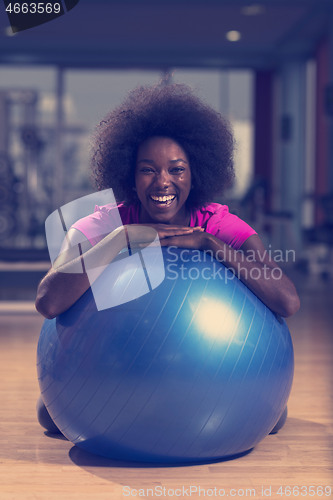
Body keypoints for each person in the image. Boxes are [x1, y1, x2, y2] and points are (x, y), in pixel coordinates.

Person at [35, 82, 300, 434]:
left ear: (195, 173)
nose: (162, 182)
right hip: (111, 371)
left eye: (176, 169)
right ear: (130, 173)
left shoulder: (218, 224)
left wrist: (210, 244)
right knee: (49, 417)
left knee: (271, 416)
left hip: (208, 373)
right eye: (148, 169)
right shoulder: (103, 224)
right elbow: (48, 301)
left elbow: (288, 300)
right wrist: (121, 238)